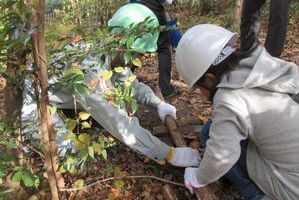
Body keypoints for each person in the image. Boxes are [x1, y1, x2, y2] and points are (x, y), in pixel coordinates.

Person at [48, 4, 201, 168]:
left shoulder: (110, 55)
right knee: (68, 158)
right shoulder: (89, 70)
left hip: (67, 98)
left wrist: (158, 104)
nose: (140, 62)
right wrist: (168, 153)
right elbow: (118, 122)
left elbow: (130, 83)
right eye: (137, 54)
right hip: (38, 105)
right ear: (122, 45)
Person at [175, 24, 299, 199]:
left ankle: (256, 195)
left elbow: (221, 157)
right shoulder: (257, 62)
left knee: (217, 145)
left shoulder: (229, 99)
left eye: (198, 89)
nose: (201, 95)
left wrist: (197, 178)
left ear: (210, 80)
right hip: (291, 157)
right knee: (209, 131)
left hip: (291, 184)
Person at [129, 0, 178, 98]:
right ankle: (165, 89)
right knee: (163, 49)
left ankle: (124, 81)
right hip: (153, 9)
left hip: (133, 10)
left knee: (136, 47)